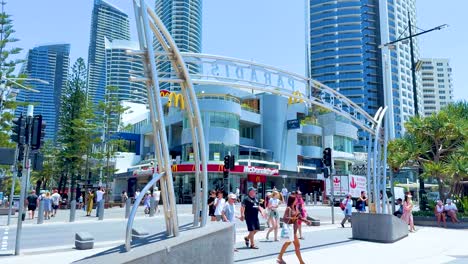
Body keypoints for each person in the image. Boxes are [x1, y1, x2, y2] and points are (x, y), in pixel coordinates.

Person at [277, 195, 311, 264]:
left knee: (287, 243)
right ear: (292, 201)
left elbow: (299, 217)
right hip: (290, 230)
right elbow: (284, 218)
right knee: (296, 245)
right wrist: (292, 218)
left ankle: (280, 257)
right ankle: (301, 262)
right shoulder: (288, 208)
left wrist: (306, 221)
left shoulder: (295, 208)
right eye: (295, 199)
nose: (297, 200)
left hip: (294, 230)